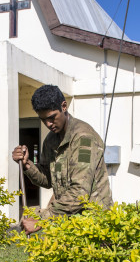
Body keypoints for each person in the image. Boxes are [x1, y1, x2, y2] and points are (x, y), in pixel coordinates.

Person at [12, 84, 112, 235]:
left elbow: (80, 192)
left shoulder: (83, 138)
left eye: (52, 118)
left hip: (93, 226)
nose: (48, 124)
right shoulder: (51, 140)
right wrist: (27, 164)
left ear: (63, 106)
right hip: (67, 223)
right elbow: (47, 179)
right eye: (43, 120)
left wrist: (43, 218)